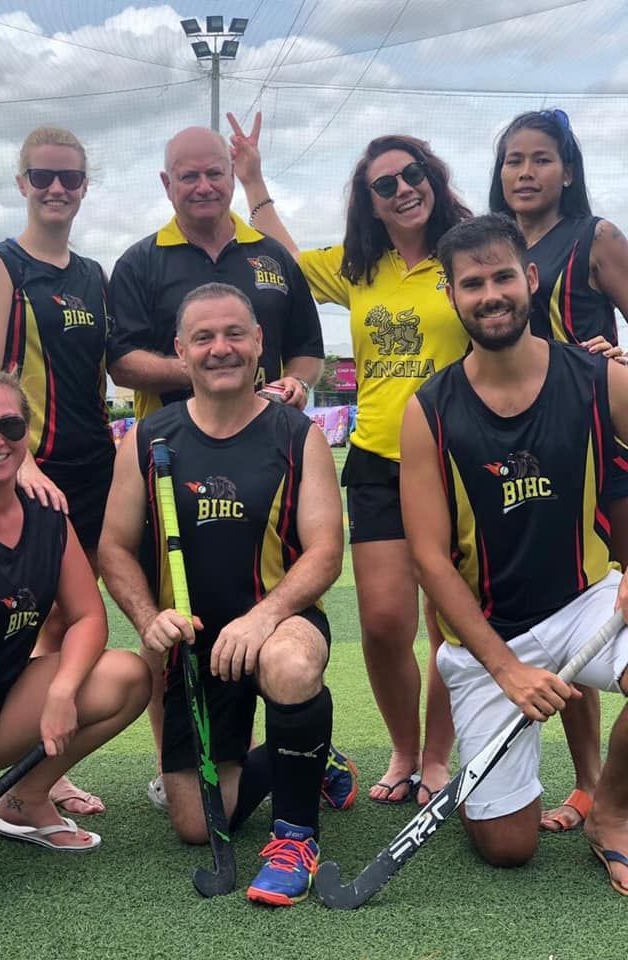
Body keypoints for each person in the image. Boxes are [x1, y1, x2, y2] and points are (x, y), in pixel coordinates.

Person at [229, 112, 471, 805]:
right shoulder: (359, 267)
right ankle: (401, 748)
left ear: (432, 177)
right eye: (383, 185)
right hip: (376, 463)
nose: (401, 190)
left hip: (458, 463)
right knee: (387, 621)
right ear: (369, 202)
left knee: (452, 623)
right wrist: (253, 179)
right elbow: (282, 256)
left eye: (411, 175)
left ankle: (435, 757)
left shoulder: (465, 254)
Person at [401, 214, 628, 894]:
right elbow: (429, 560)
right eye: (472, 283)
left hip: (586, 605)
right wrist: (506, 672)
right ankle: (495, 791)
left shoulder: (600, 379)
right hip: (488, 639)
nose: (491, 294)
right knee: (509, 848)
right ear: (451, 296)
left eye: (503, 276)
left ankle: (611, 813)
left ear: (530, 279)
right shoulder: (430, 409)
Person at [99, 283, 343, 905]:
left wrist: (262, 618)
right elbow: (114, 548)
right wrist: (149, 617)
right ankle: (311, 756)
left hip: (278, 624)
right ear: (181, 352)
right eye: (203, 338)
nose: (221, 348)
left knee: (287, 664)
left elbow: (324, 552)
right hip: (195, 646)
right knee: (198, 824)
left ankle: (296, 836)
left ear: (260, 341)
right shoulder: (149, 438)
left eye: (235, 333)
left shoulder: (299, 435)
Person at [106, 125, 327, 807]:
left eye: (215, 174)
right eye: (188, 176)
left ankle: (300, 750)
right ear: (166, 184)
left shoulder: (269, 256)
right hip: (172, 460)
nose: (204, 186)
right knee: (166, 617)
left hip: (261, 449)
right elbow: (121, 359)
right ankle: (195, 766)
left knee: (284, 647)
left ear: (231, 176)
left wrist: (288, 383)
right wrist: (209, 371)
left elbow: (308, 350)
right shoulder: (142, 261)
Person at [0, 125, 118, 826]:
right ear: (21, 184)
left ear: (85, 185)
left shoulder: (94, 275)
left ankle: (39, 774)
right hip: (30, 466)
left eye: (69, 177)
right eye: (42, 177)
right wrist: (23, 461)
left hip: (96, 469)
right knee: (3, 626)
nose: (57, 189)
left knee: (70, 624)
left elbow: (106, 373)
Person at [0, 369, 149, 851]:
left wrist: (62, 689)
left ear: (27, 431)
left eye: (10, 426)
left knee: (127, 677)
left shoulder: (49, 517)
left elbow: (88, 617)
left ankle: (26, 801)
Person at [489, 108, 628, 834]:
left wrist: (623, 363)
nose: (525, 172)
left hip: (604, 450)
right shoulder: (494, 248)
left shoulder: (595, 236)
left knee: (600, 604)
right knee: (558, 609)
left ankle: (605, 796)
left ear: (567, 170)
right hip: (531, 456)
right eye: (514, 160)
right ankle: (586, 781)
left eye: (541, 159)